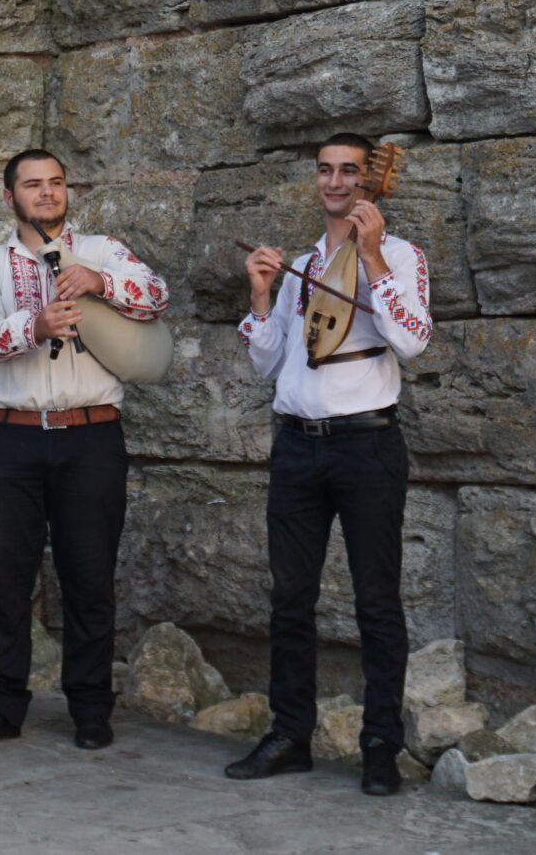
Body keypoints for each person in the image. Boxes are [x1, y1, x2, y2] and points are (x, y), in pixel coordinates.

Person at [222, 134, 433, 797]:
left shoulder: (399, 256)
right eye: (326, 170)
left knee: (376, 601)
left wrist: (369, 256)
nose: (335, 182)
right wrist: (261, 297)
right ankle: (290, 734)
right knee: (290, 597)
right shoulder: (306, 261)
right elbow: (268, 360)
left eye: (349, 171)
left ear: (370, 180)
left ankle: (379, 745)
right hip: (297, 444)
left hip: (366, 444)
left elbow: (412, 339)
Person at [0, 148, 169, 752]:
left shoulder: (102, 251)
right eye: (32, 185)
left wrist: (102, 284)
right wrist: (36, 326)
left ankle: (91, 708)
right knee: (2, 577)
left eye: (55, 183)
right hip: (10, 437)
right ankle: (0, 706)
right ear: (9, 197)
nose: (46, 194)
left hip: (90, 436)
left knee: (90, 576)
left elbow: (156, 296)